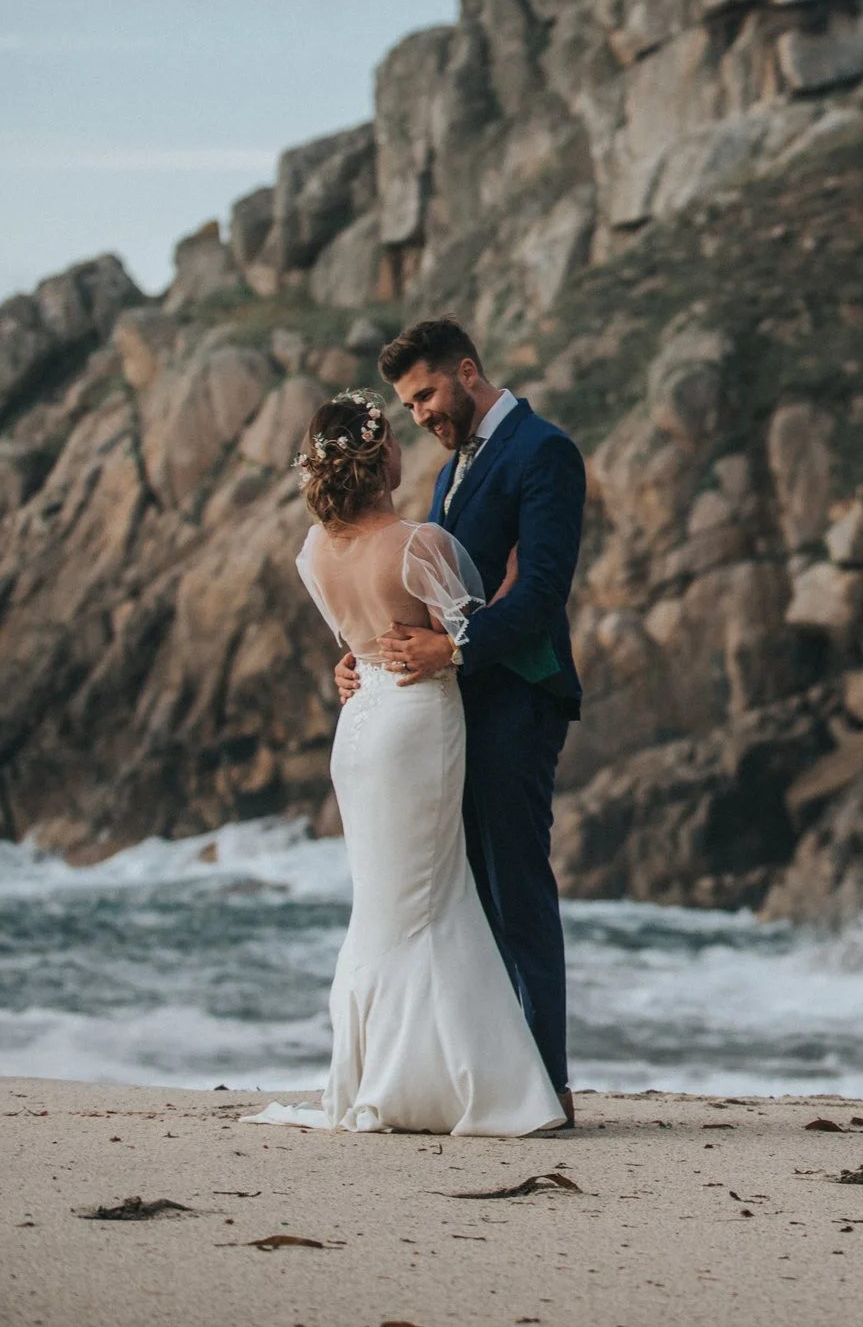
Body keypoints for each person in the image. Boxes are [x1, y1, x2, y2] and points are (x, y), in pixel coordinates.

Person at [246, 390, 564, 1136]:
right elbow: (469, 635)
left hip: (357, 728)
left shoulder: (313, 551)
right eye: (391, 433)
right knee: (432, 893)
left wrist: (350, 667)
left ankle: (374, 1070)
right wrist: (515, 582)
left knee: (385, 899)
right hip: (415, 720)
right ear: (377, 455)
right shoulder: (419, 545)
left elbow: (354, 643)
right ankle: (460, 1082)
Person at [337, 318, 588, 1129]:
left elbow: (541, 588)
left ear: (468, 372)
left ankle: (546, 1085)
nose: (421, 414)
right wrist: (363, 662)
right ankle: (486, 1077)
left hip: (519, 699)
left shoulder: (544, 451)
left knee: (516, 891)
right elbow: (424, 597)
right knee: (468, 898)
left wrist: (455, 649)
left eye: (427, 394)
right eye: (408, 405)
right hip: (455, 714)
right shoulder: (452, 473)